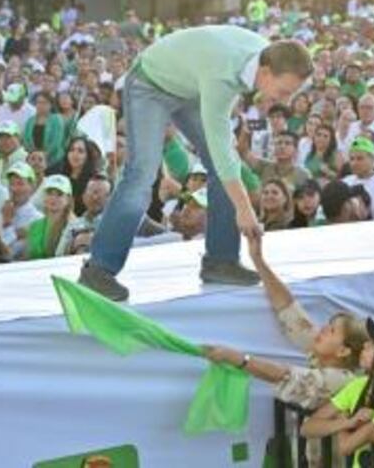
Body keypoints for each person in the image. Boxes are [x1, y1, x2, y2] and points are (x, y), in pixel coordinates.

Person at [81, 27, 312, 301]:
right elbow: (222, 150)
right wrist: (244, 210)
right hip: (150, 83)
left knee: (222, 166)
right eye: (283, 91)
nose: (286, 101)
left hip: (190, 85)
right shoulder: (222, 74)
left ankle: (221, 260)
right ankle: (98, 270)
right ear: (264, 72)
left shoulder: (269, 56)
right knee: (141, 174)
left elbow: (223, 157)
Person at [203, 239, 367, 412]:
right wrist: (258, 259)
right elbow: (288, 309)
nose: (323, 329)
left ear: (343, 351)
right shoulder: (326, 356)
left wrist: (238, 358)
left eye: (332, 331)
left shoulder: (343, 379)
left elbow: (283, 375)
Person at [301, 319, 374, 466]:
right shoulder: (358, 385)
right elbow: (308, 427)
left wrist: (344, 420)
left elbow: (346, 446)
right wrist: (346, 422)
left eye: (373, 344)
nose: (365, 344)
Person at [56, 173, 112, 257]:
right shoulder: (73, 225)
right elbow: (58, 255)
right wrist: (73, 244)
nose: (95, 197)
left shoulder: (117, 224)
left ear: (110, 198)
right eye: (92, 193)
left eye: (101, 194)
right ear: (84, 197)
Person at [48, 136, 103, 217]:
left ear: (87, 156)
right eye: (71, 150)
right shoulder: (59, 175)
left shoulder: (93, 181)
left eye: (80, 151)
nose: (75, 154)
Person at [242, 130, 312, 190]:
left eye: (287, 143)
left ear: (296, 151)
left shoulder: (303, 175)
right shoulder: (263, 166)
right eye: (279, 143)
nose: (282, 146)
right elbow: (245, 153)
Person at [1, 162, 43, 258]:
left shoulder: (38, 220)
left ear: (32, 186)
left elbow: (8, 253)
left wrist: (7, 225)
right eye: (11, 184)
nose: (14, 189)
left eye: (20, 184)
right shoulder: (1, 211)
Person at [27, 174, 74, 260]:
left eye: (59, 194)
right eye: (49, 193)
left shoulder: (74, 227)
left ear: (68, 199)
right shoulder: (35, 225)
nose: (53, 198)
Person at [23, 91, 68, 167]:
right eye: (38, 102)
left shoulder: (56, 119)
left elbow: (56, 141)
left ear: (50, 105)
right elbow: (26, 139)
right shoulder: (30, 121)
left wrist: (44, 155)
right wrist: (34, 155)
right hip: (34, 160)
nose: (41, 105)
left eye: (44, 103)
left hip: (53, 160)